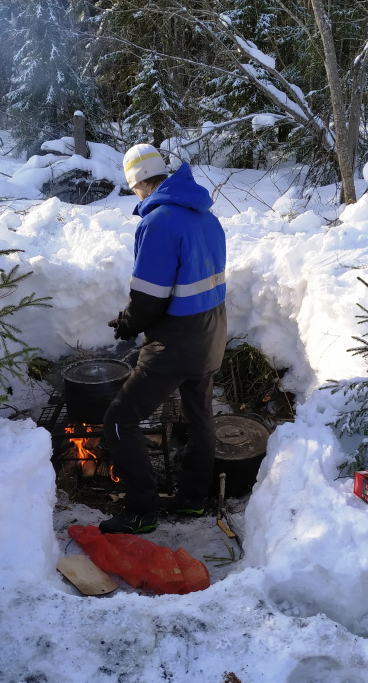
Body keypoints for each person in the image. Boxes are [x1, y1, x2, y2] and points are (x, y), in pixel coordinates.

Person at [99, 144, 227, 534]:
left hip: (175, 342)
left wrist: (126, 324)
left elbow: (149, 297)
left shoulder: (158, 222)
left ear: (138, 182)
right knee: (199, 416)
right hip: (212, 331)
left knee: (119, 420)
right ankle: (192, 499)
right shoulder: (205, 216)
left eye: (133, 187)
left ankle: (140, 510)